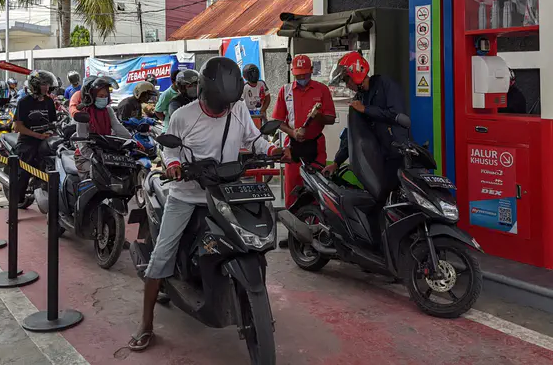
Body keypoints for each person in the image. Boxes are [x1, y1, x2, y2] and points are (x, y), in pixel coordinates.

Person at [129, 57, 280, 352]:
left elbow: (254, 139)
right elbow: (168, 149)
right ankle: (146, 323)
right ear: (204, 93)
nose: (224, 110)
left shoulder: (236, 109)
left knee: (250, 239)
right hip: (187, 194)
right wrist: (173, 164)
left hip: (226, 191)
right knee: (162, 256)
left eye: (228, 104)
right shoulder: (183, 116)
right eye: (219, 105)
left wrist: (273, 148)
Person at [325, 52, 407, 183]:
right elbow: (352, 133)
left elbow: (396, 114)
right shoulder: (359, 98)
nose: (347, 85)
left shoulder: (385, 85)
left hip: (398, 155)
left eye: (347, 80)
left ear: (356, 73)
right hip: (378, 159)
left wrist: (366, 109)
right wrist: (336, 162)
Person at [271, 55, 335, 209]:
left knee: (316, 191)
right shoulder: (285, 91)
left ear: (312, 71)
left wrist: (318, 116)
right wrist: (292, 133)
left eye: (305, 75)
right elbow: (278, 121)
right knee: (293, 190)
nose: (301, 78)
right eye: (298, 75)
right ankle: (293, 229)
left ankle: (316, 228)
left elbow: (331, 119)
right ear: (293, 72)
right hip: (294, 147)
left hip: (316, 146)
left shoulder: (322, 90)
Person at [71, 76, 130, 177]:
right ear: (92, 96)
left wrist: (132, 140)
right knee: (97, 176)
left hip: (106, 154)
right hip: (86, 157)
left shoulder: (108, 111)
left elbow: (118, 127)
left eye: (105, 96)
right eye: (100, 96)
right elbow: (82, 144)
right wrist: (93, 156)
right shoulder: (84, 113)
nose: (103, 98)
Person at [13, 70, 58, 202]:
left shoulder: (49, 102)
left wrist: (51, 132)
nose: (47, 87)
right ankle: (17, 200)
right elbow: (17, 127)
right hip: (28, 141)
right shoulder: (24, 102)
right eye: (44, 84)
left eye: (48, 84)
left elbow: (52, 122)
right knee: (24, 169)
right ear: (35, 85)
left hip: (46, 140)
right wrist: (37, 135)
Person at [153, 65, 182, 131]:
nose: (181, 84)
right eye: (178, 82)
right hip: (169, 130)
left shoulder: (183, 92)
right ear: (173, 81)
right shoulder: (166, 94)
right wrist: (167, 120)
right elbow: (157, 111)